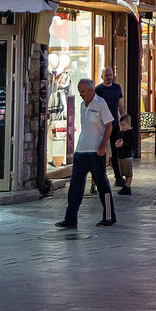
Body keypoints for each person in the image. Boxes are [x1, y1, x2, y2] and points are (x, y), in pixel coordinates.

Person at [56, 79, 116, 228]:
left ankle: (109, 216)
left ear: (91, 91)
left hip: (96, 152)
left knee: (102, 185)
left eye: (83, 91)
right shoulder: (82, 105)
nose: (80, 94)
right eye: (79, 90)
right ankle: (70, 218)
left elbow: (109, 125)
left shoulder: (101, 103)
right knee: (75, 185)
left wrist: (102, 146)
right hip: (81, 150)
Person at [94, 67, 125, 188]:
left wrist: (123, 118)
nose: (109, 77)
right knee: (100, 150)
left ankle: (118, 177)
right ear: (102, 76)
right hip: (102, 125)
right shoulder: (98, 90)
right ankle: (100, 178)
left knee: (116, 150)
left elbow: (119, 104)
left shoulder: (117, 88)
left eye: (110, 75)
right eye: (106, 75)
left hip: (115, 124)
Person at [113, 114, 136, 195]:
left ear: (128, 124)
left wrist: (124, 144)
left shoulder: (131, 133)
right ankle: (125, 186)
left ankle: (127, 186)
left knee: (128, 172)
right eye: (121, 125)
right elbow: (118, 139)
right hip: (121, 155)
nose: (122, 127)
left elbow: (132, 144)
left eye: (123, 125)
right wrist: (117, 143)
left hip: (127, 155)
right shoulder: (121, 132)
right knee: (123, 171)